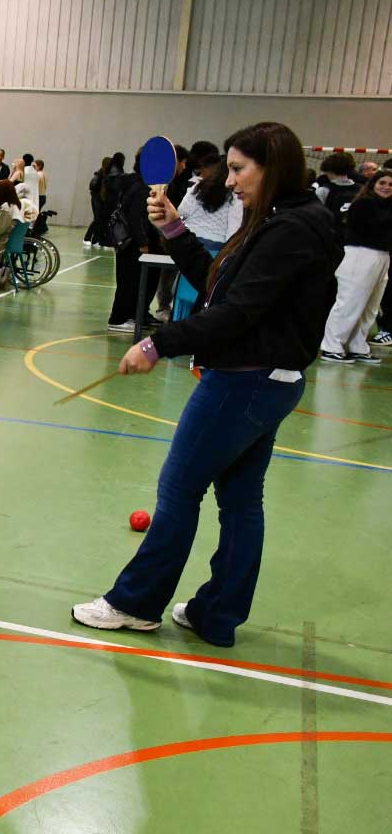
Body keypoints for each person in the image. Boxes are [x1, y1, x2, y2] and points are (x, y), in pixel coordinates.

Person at [73, 122, 342, 648]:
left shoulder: (291, 230)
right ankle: (216, 614)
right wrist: (175, 230)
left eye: (240, 169)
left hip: (245, 382)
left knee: (179, 490)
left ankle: (134, 603)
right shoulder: (283, 219)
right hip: (272, 382)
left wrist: (158, 343)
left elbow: (237, 312)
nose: (231, 180)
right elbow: (222, 283)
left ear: (274, 167)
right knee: (242, 501)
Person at [320, 169, 392, 363]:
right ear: (373, 185)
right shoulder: (362, 205)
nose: (386, 187)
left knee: (371, 306)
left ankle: (357, 346)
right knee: (350, 302)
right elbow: (371, 228)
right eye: (382, 183)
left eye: (390, 185)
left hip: (382, 257)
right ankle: (332, 346)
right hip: (360, 255)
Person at [106, 148, 164, 333]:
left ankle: (136, 314)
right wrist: (143, 243)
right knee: (128, 282)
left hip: (131, 243)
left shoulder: (135, 183)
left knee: (135, 281)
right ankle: (118, 319)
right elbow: (136, 217)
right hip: (132, 244)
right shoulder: (141, 188)